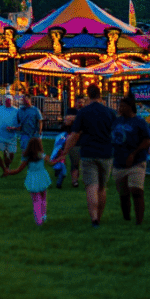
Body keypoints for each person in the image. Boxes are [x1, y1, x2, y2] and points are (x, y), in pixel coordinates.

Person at [54, 84, 117, 227]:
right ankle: (99, 216)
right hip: (106, 153)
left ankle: (94, 218)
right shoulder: (110, 113)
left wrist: (64, 151)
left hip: (88, 152)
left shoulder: (83, 112)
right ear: (100, 95)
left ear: (88, 95)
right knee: (102, 187)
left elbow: (74, 135)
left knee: (91, 186)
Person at [110, 96, 150, 225]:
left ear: (130, 107)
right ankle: (126, 217)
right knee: (123, 193)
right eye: (119, 106)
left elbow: (148, 140)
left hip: (136, 162)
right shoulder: (116, 122)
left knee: (136, 190)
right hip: (119, 162)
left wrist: (134, 153)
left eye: (123, 106)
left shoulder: (139, 122)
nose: (120, 108)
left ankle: (139, 220)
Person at [2, 137, 51, 225]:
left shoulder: (27, 157)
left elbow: (18, 170)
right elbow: (50, 161)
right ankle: (44, 215)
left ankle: (38, 220)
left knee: (36, 200)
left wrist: (8, 172)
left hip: (33, 179)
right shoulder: (41, 155)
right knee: (43, 197)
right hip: (42, 177)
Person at [62, 99, 85, 187]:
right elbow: (67, 120)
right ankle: (74, 181)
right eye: (79, 102)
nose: (81, 103)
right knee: (75, 162)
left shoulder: (85, 111)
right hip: (74, 140)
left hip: (84, 140)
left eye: (82, 102)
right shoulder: (71, 110)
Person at [0, 95, 19, 164]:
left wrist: (14, 128)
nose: (8, 102)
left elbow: (20, 121)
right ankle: (6, 166)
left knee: (11, 153)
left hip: (12, 136)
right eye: (6, 101)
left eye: (9, 101)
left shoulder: (16, 110)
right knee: (3, 152)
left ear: (12, 101)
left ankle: (8, 163)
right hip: (1, 135)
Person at [15, 96, 43, 163]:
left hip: (34, 134)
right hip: (24, 134)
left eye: (26, 99)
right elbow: (18, 121)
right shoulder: (20, 110)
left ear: (30, 100)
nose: (25, 101)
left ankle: (36, 163)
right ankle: (24, 163)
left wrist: (40, 131)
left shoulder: (35, 110)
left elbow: (40, 121)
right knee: (24, 150)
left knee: (36, 151)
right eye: (23, 100)